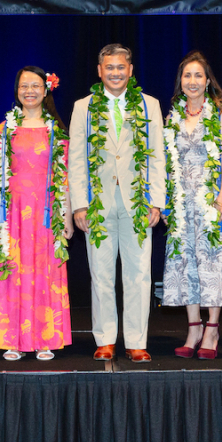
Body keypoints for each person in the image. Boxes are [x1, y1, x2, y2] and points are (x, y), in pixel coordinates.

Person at [68, 43, 166, 362]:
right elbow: (77, 160)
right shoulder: (84, 106)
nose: (115, 73)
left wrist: (157, 202)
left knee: (139, 275)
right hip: (98, 204)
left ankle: (137, 341)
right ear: (100, 71)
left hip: (138, 203)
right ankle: (106, 338)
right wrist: (79, 204)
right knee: (101, 274)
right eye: (109, 68)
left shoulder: (149, 105)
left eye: (120, 67)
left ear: (130, 70)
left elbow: (158, 157)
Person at [0, 67, 74, 361]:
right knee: (12, 271)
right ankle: (13, 339)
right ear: (17, 91)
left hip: (47, 213)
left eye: (35, 85)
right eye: (24, 86)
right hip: (13, 213)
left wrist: (67, 218)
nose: (30, 91)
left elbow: (64, 178)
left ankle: (46, 339)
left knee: (46, 271)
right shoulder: (5, 128)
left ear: (46, 90)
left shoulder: (55, 130)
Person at [161, 52, 222, 360]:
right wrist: (168, 201)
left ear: (208, 81)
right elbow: (168, 162)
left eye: (198, 76)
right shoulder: (173, 115)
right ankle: (193, 327)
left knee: (213, 264)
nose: (192, 81)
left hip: (210, 201)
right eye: (187, 76)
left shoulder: (219, 114)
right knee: (186, 266)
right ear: (180, 82)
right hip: (182, 204)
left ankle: (212, 329)